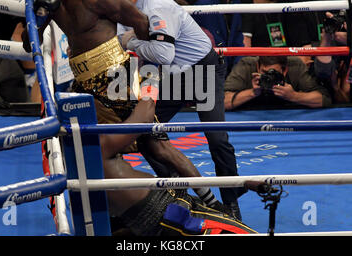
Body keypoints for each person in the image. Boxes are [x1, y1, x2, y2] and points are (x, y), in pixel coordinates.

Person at [22, 0, 225, 216]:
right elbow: (28, 44)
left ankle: (212, 203)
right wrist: (39, 16)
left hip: (117, 77)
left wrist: (138, 61)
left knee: (157, 144)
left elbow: (141, 22)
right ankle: (120, 213)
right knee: (93, 148)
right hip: (84, 82)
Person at [110, 0, 246, 220]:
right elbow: (121, 44)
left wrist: (133, 41)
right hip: (173, 76)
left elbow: (162, 53)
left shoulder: (158, 8)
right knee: (143, 131)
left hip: (202, 71)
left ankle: (231, 205)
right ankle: (178, 192)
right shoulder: (126, 8)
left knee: (217, 137)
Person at [100, 98, 257, 235]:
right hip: (164, 212)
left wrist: (211, 201)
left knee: (232, 225)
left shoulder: (88, 154)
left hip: (166, 206)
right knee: (238, 231)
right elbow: (144, 113)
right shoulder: (102, 146)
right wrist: (147, 84)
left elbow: (164, 150)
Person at [224, 55, 332, 110]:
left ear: (284, 70)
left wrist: (294, 96)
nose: (269, 77)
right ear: (257, 67)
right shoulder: (246, 66)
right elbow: (222, 102)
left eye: (273, 73)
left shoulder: (294, 66)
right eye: (264, 72)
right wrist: (252, 93)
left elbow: (323, 99)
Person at [193, 0, 244, 74]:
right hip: (208, 70)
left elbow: (238, 40)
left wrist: (237, 70)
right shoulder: (203, 6)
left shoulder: (237, 3)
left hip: (229, 68)